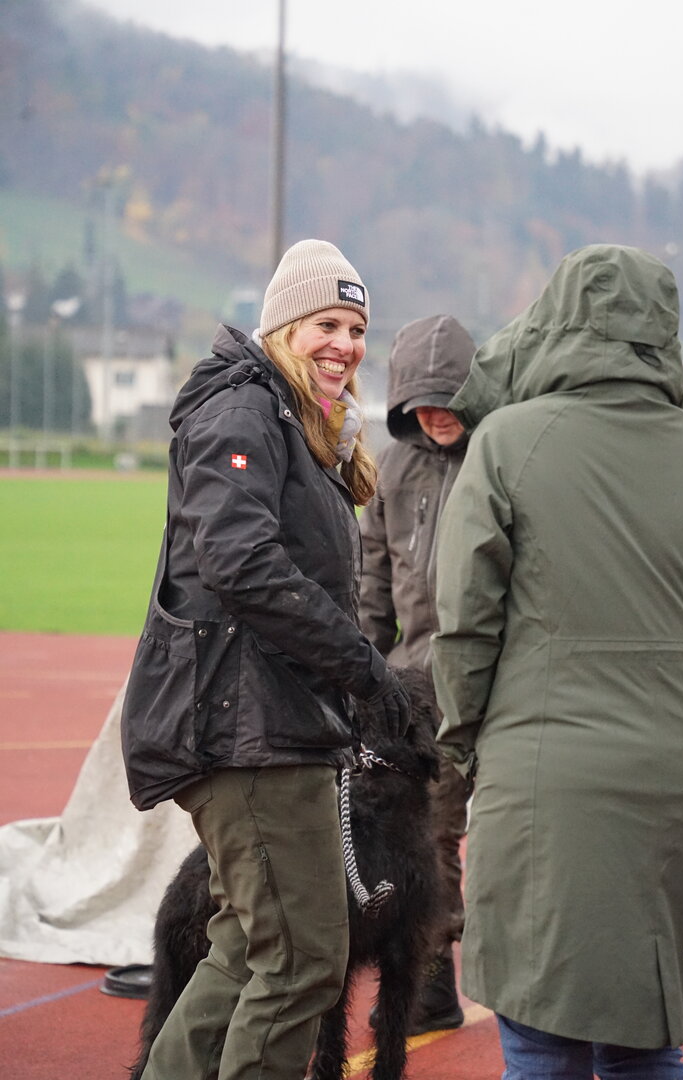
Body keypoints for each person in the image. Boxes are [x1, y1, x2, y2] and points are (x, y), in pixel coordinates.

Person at [120, 239, 411, 1080]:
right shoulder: (245, 411)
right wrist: (363, 668)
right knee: (303, 961)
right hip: (248, 731)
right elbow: (241, 562)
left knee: (249, 949)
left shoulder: (293, 421)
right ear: (285, 326)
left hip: (271, 722)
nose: (346, 345)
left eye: (357, 329)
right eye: (328, 324)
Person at [431, 243, 683, 1080]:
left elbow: (465, 624)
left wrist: (458, 751)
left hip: (543, 773)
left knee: (540, 1035)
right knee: (648, 1034)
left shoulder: (508, 442)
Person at [359, 313, 476, 1033]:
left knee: (502, 842)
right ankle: (433, 987)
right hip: (415, 692)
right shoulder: (392, 468)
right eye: (418, 401)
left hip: (491, 680)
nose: (433, 413)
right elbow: (372, 579)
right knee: (426, 835)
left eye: (447, 398)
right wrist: (362, 672)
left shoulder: (499, 456)